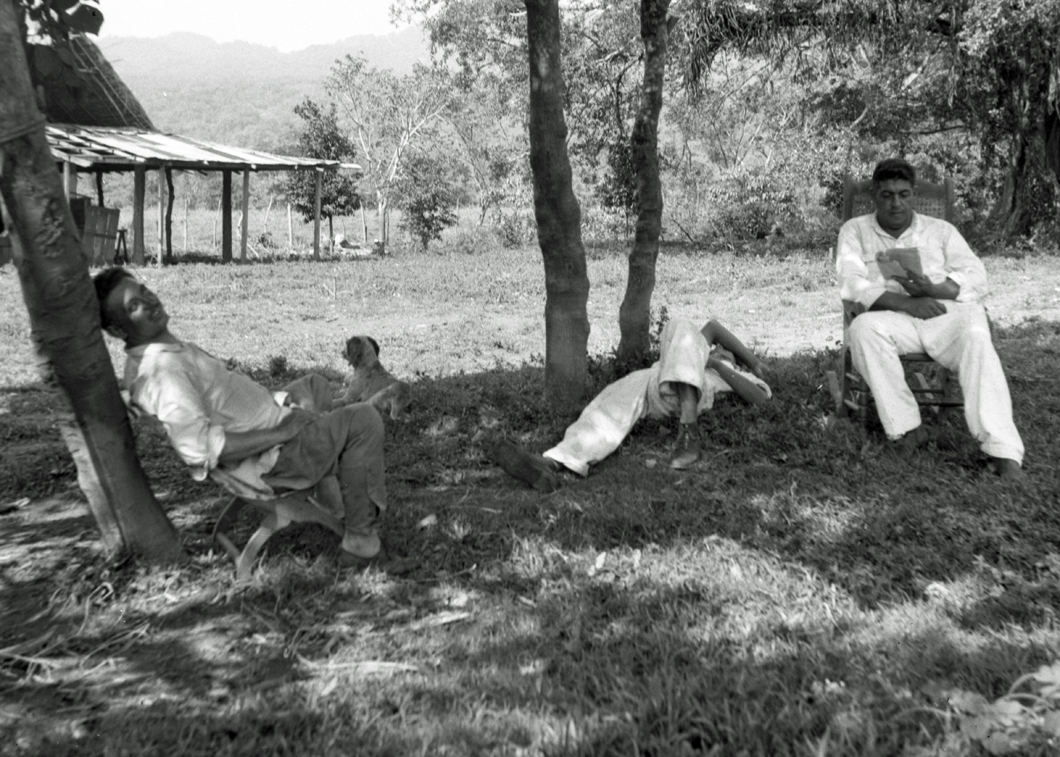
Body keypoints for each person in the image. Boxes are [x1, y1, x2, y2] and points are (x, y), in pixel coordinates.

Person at [93, 267, 387, 565]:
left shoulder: (160, 354)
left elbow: (221, 402)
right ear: (118, 330)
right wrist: (281, 432)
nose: (150, 301)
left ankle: (327, 473)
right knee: (364, 419)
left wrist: (278, 403)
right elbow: (196, 448)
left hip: (270, 425)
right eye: (134, 306)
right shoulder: (165, 371)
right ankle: (360, 545)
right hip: (273, 459)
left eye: (144, 291)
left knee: (314, 385)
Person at [836, 158, 1025, 480]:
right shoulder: (855, 230)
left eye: (904, 194)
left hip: (947, 315)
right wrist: (909, 304)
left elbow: (977, 275)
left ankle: (1002, 451)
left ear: (913, 194)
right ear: (874, 195)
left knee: (977, 337)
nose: (896, 203)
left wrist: (934, 288)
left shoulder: (941, 231)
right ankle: (907, 429)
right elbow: (852, 283)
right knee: (863, 329)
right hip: (891, 316)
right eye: (887, 195)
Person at [493, 317, 771, 490]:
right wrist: (748, 357)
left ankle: (689, 432)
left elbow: (760, 397)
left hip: (693, 394)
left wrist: (724, 365)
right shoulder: (691, 350)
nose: (718, 348)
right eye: (715, 347)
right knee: (602, 414)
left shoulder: (731, 374)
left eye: (724, 351)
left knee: (681, 326)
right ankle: (551, 462)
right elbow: (712, 327)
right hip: (654, 380)